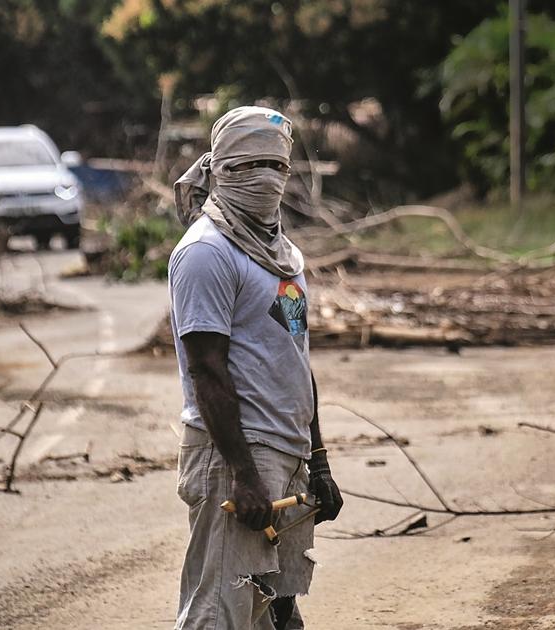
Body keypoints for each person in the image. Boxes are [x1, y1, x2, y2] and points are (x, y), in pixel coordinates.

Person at [169, 106, 344, 630]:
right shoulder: (205, 254)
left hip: (286, 457)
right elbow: (207, 372)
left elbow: (296, 354)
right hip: (234, 460)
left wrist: (318, 460)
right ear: (221, 169)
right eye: (251, 166)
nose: (267, 178)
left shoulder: (284, 257)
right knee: (218, 614)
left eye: (278, 165)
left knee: (278, 615)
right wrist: (243, 476)